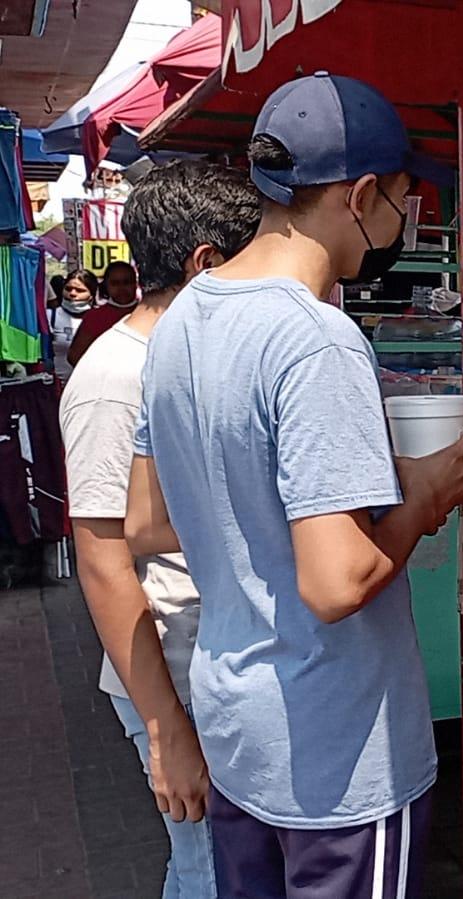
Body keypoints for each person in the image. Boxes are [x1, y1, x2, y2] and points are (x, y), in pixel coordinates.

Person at [123, 72, 463, 898]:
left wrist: (346, 483)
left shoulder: (180, 321)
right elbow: (335, 579)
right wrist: (421, 498)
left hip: (239, 729)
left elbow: (148, 517)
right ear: (360, 195)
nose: (404, 216)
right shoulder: (317, 339)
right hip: (338, 752)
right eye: (401, 196)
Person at [61, 161, 261, 899]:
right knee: (208, 870)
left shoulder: (184, 357)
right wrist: (164, 726)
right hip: (170, 670)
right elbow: (104, 563)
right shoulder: (116, 377)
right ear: (204, 264)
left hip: (208, 661)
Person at [69, 259, 140, 366]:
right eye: (115, 283)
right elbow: (74, 357)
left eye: (127, 282)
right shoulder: (94, 317)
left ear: (136, 284)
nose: (121, 288)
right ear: (106, 285)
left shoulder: (149, 313)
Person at [49, 269, 97, 380]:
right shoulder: (50, 317)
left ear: (91, 295)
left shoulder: (100, 320)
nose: (72, 294)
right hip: (57, 389)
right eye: (68, 289)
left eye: (80, 290)